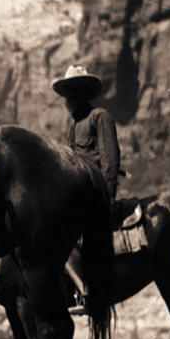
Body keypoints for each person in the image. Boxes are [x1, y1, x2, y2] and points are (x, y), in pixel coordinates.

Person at [51, 64, 120, 315]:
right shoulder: (73, 124)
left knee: (67, 234)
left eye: (74, 91)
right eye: (67, 92)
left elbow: (111, 161)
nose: (69, 98)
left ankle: (87, 291)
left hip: (95, 192)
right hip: (76, 192)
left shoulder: (99, 116)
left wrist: (108, 197)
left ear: (84, 92)